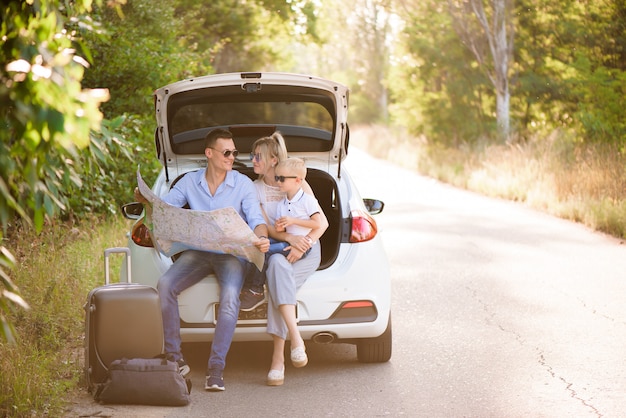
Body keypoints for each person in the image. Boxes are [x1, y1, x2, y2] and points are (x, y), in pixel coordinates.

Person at [133, 128, 270, 392]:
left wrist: (261, 238)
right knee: (165, 285)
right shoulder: (187, 182)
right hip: (197, 253)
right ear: (210, 153)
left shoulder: (242, 184)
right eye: (226, 152)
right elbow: (166, 210)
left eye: (234, 152)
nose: (232, 157)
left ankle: (216, 369)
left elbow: (257, 219)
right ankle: (174, 358)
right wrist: (146, 202)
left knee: (231, 297)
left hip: (231, 256)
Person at [242, 132, 328, 386]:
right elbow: (264, 226)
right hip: (281, 248)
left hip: (308, 248)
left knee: (278, 283)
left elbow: (320, 224)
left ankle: (278, 358)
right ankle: (296, 340)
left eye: (257, 156)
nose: (252, 159)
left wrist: (303, 246)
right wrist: (290, 240)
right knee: (278, 268)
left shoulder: (299, 184)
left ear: (272, 160)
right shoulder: (254, 188)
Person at [240, 157, 322, 311]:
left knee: (263, 251)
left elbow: (317, 223)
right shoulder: (282, 204)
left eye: (281, 179)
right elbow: (281, 232)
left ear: (298, 180)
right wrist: (279, 227)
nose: (278, 182)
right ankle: (250, 288)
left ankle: (255, 290)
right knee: (259, 249)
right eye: (277, 178)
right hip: (288, 242)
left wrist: (293, 221)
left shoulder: (308, 201)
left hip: (303, 246)